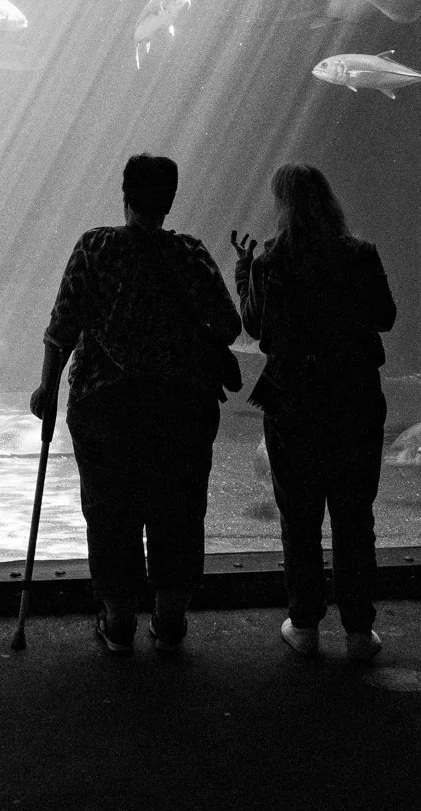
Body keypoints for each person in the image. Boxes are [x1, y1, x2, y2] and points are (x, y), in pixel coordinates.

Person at [31, 153, 241, 654]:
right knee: (178, 509)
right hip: (181, 408)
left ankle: (119, 620)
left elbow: (61, 329)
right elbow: (229, 326)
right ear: (170, 201)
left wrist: (47, 386)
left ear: (124, 195)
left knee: (110, 511)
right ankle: (169, 622)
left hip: (106, 407)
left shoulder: (95, 247)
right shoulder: (190, 253)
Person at [231, 164, 397, 660]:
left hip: (294, 402)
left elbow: (255, 327)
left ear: (281, 205)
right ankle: (359, 631)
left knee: (299, 516)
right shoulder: (360, 254)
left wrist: (244, 271)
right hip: (353, 397)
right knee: (353, 514)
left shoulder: (270, 261)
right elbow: (385, 317)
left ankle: (304, 625)